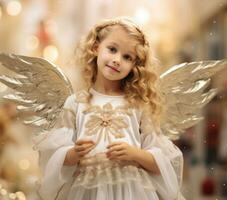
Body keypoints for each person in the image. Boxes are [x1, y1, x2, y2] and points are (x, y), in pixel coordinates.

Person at [35, 17, 184, 200]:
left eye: (127, 57)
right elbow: (54, 156)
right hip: (86, 190)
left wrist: (135, 154)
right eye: (112, 49)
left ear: (135, 65)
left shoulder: (137, 105)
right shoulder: (76, 103)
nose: (116, 60)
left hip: (132, 191)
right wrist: (74, 153)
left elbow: (163, 162)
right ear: (96, 47)